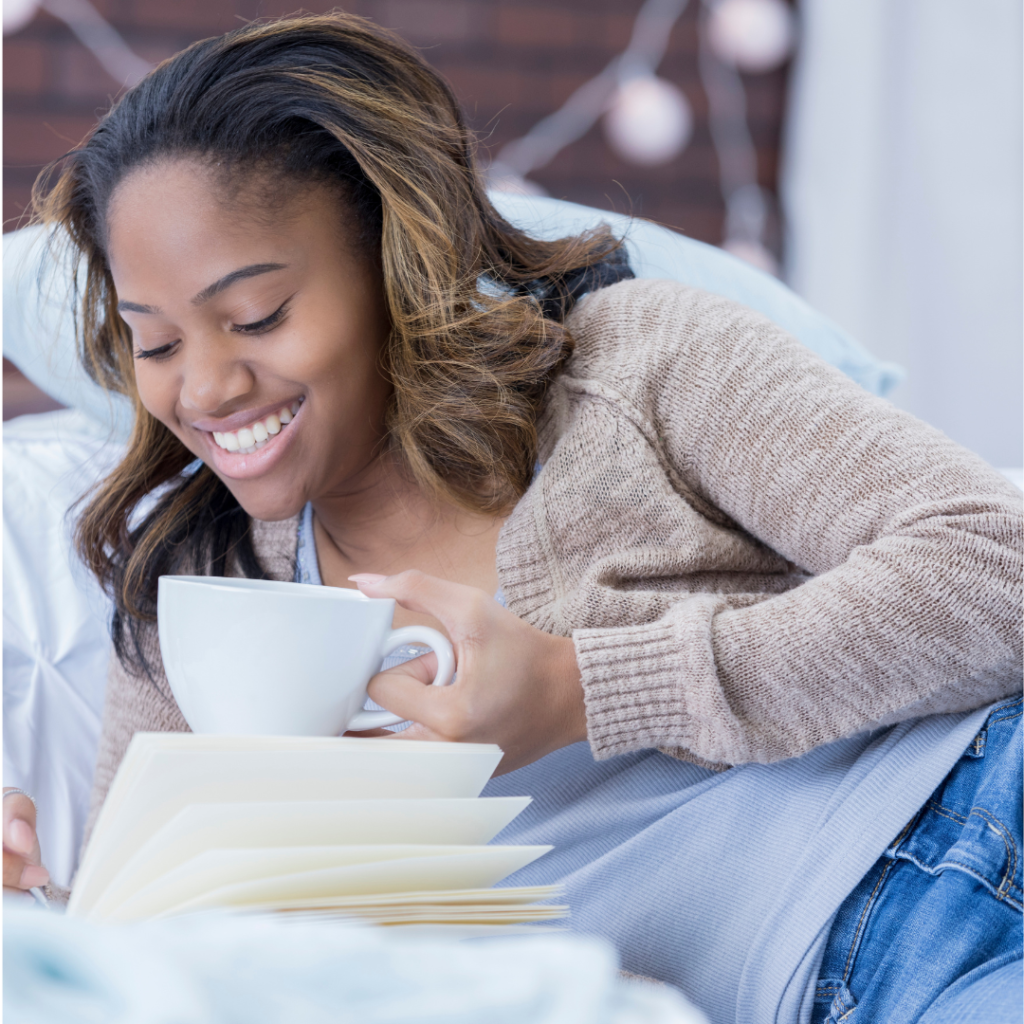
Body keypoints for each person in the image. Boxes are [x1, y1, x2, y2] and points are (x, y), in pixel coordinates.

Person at [3, 14, 1020, 1023]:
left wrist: (587, 689)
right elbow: (159, 947)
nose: (208, 387)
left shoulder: (632, 364)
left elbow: (997, 563)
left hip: (959, 841)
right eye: (156, 341)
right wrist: (34, 908)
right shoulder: (198, 582)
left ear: (394, 258)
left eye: (258, 316)